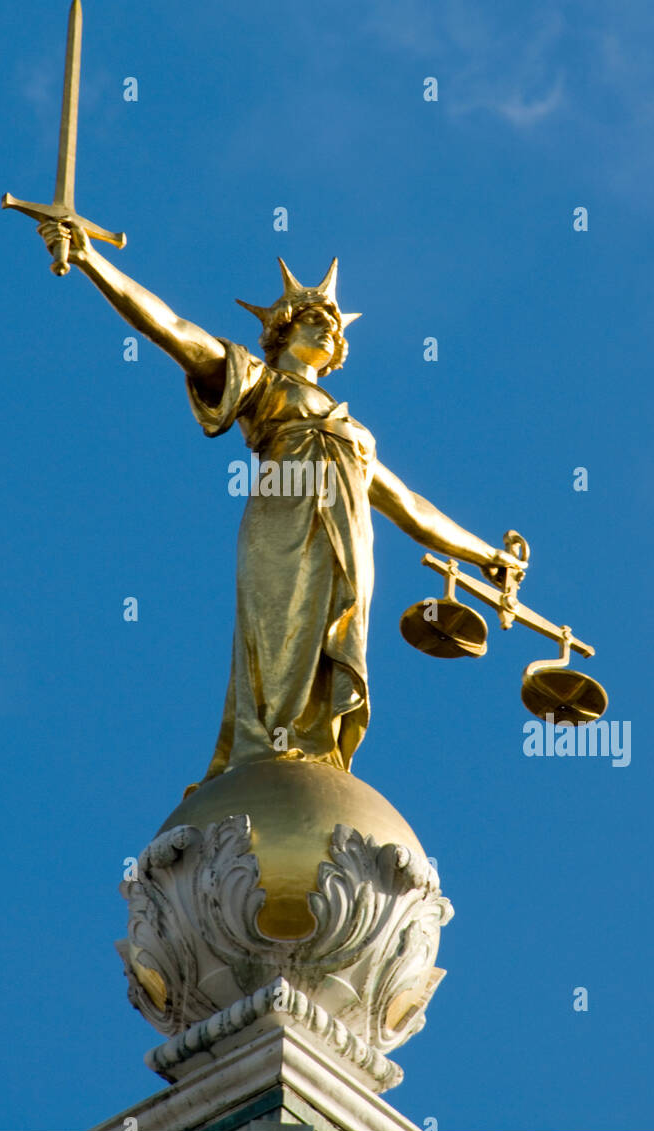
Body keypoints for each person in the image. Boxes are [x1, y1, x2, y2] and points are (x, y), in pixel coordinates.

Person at [38, 220, 524, 783]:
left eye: (333, 325)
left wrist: (488, 554)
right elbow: (171, 328)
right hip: (284, 524)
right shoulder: (263, 384)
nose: (326, 328)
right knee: (279, 638)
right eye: (314, 318)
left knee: (330, 640)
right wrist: (92, 260)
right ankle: (268, 745)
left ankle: (314, 749)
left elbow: (411, 507)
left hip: (348, 543)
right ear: (283, 331)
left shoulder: (354, 432)